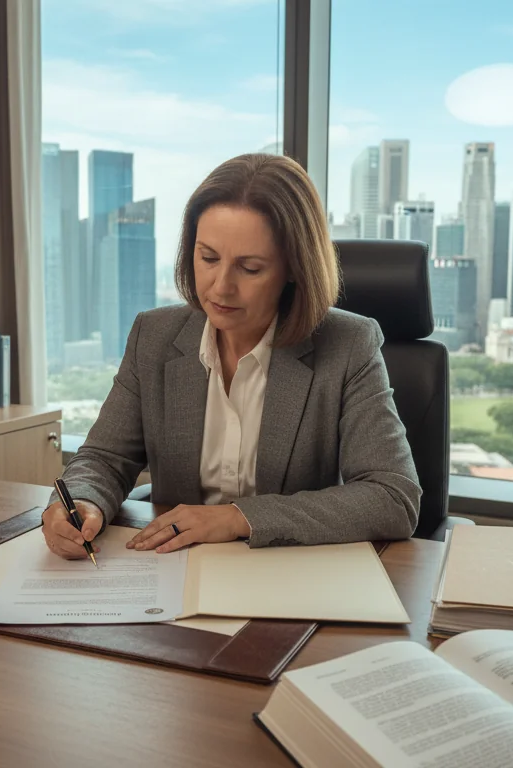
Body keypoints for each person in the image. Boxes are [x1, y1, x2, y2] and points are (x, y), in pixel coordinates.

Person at [42, 153, 421, 560]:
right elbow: (105, 457)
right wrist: (82, 502)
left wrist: (239, 517)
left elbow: (393, 496)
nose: (221, 288)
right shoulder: (153, 336)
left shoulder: (348, 344)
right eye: (208, 258)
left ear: (295, 267)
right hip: (172, 572)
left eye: (250, 268)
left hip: (288, 572)